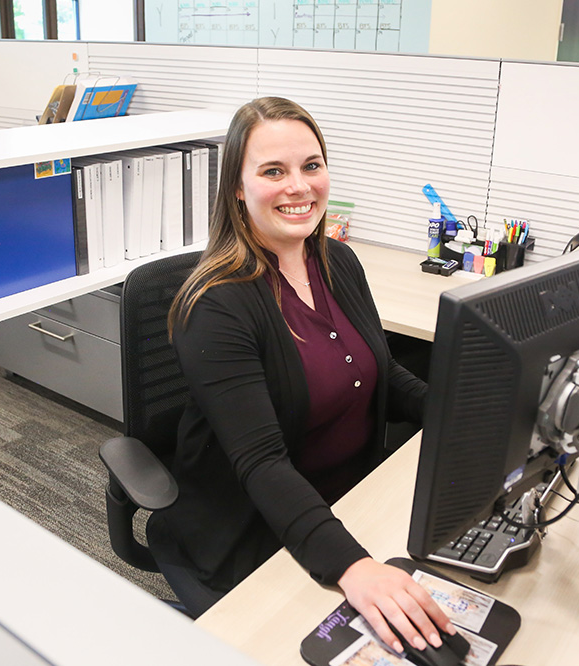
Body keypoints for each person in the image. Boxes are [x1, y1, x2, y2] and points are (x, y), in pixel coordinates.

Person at [147, 97, 455, 654]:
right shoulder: (217, 306)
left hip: (350, 503)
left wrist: (464, 418)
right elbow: (262, 464)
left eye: (311, 166)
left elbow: (381, 374)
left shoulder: (337, 261)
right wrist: (355, 567)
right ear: (238, 189)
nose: (299, 186)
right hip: (252, 531)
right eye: (273, 171)